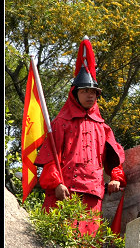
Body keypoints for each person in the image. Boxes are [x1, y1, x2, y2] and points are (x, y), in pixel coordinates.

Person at [35, 37, 126, 236]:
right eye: (85, 91)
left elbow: (114, 157)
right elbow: (50, 157)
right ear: (75, 93)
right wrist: (56, 183)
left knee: (89, 243)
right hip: (66, 191)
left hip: (93, 192)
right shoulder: (60, 123)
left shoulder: (103, 127)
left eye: (93, 92)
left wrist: (116, 178)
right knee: (60, 240)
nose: (90, 95)